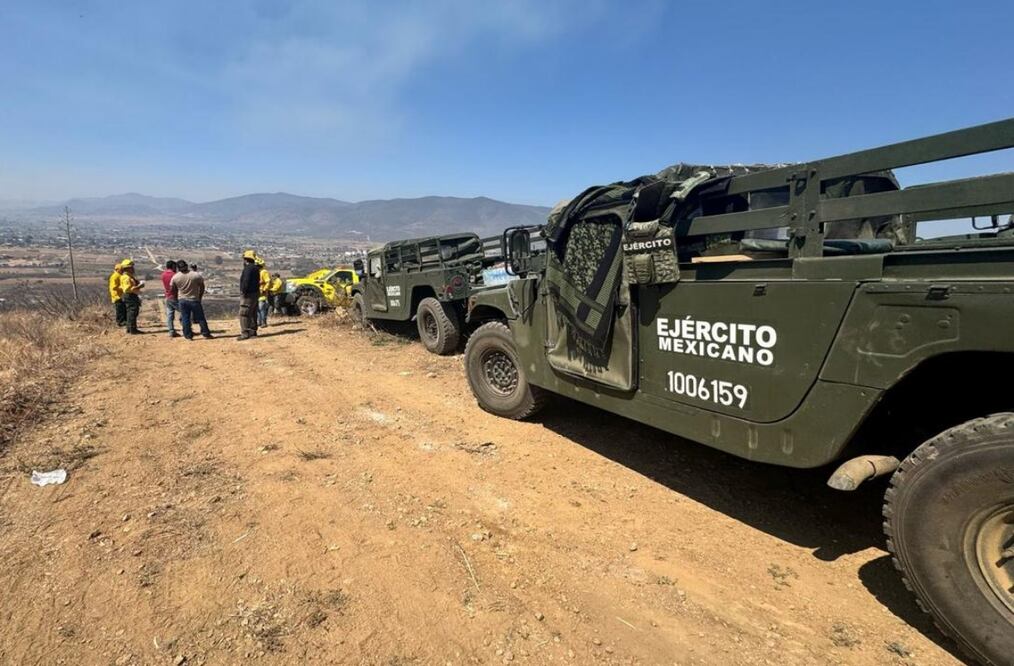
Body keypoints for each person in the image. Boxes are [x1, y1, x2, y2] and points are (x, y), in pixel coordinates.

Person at [171, 260, 213, 340]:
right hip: (194, 299)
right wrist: (199, 297)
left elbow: (173, 289)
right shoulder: (195, 275)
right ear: (186, 265)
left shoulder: (175, 277)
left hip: (182, 300)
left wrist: (176, 297)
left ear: (178, 268)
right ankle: (206, 334)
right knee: (200, 318)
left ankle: (188, 336)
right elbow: (202, 287)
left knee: (185, 318)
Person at [238, 250, 260, 341]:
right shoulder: (256, 268)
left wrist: (243, 291)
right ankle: (253, 331)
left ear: (245, 259)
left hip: (248, 294)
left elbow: (246, 281)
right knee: (253, 313)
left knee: (244, 313)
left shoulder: (248, 268)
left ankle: (245, 333)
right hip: (255, 293)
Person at [119, 259, 143, 335]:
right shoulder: (126, 277)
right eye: (131, 267)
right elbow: (128, 289)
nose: (133, 269)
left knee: (131, 312)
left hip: (130, 296)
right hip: (130, 296)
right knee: (132, 312)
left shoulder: (129, 276)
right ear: (128, 268)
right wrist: (140, 286)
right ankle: (132, 329)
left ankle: (130, 328)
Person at [161, 260, 179, 338]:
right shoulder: (175, 275)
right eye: (175, 267)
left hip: (167, 296)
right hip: (175, 296)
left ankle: (171, 331)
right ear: (173, 266)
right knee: (185, 312)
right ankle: (187, 329)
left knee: (170, 315)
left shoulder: (163, 274)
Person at [108, 261, 126, 327]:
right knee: (120, 310)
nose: (122, 270)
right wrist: (123, 287)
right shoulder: (115, 276)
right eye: (121, 269)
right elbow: (113, 287)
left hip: (120, 296)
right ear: (117, 269)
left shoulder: (119, 275)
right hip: (117, 296)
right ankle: (120, 322)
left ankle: (123, 321)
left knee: (122, 309)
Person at [256, 257, 271, 327]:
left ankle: (263, 322)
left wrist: (264, 289)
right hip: (256, 293)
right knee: (257, 309)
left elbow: (268, 282)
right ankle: (259, 322)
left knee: (261, 308)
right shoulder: (257, 272)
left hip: (262, 293)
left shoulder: (264, 272)